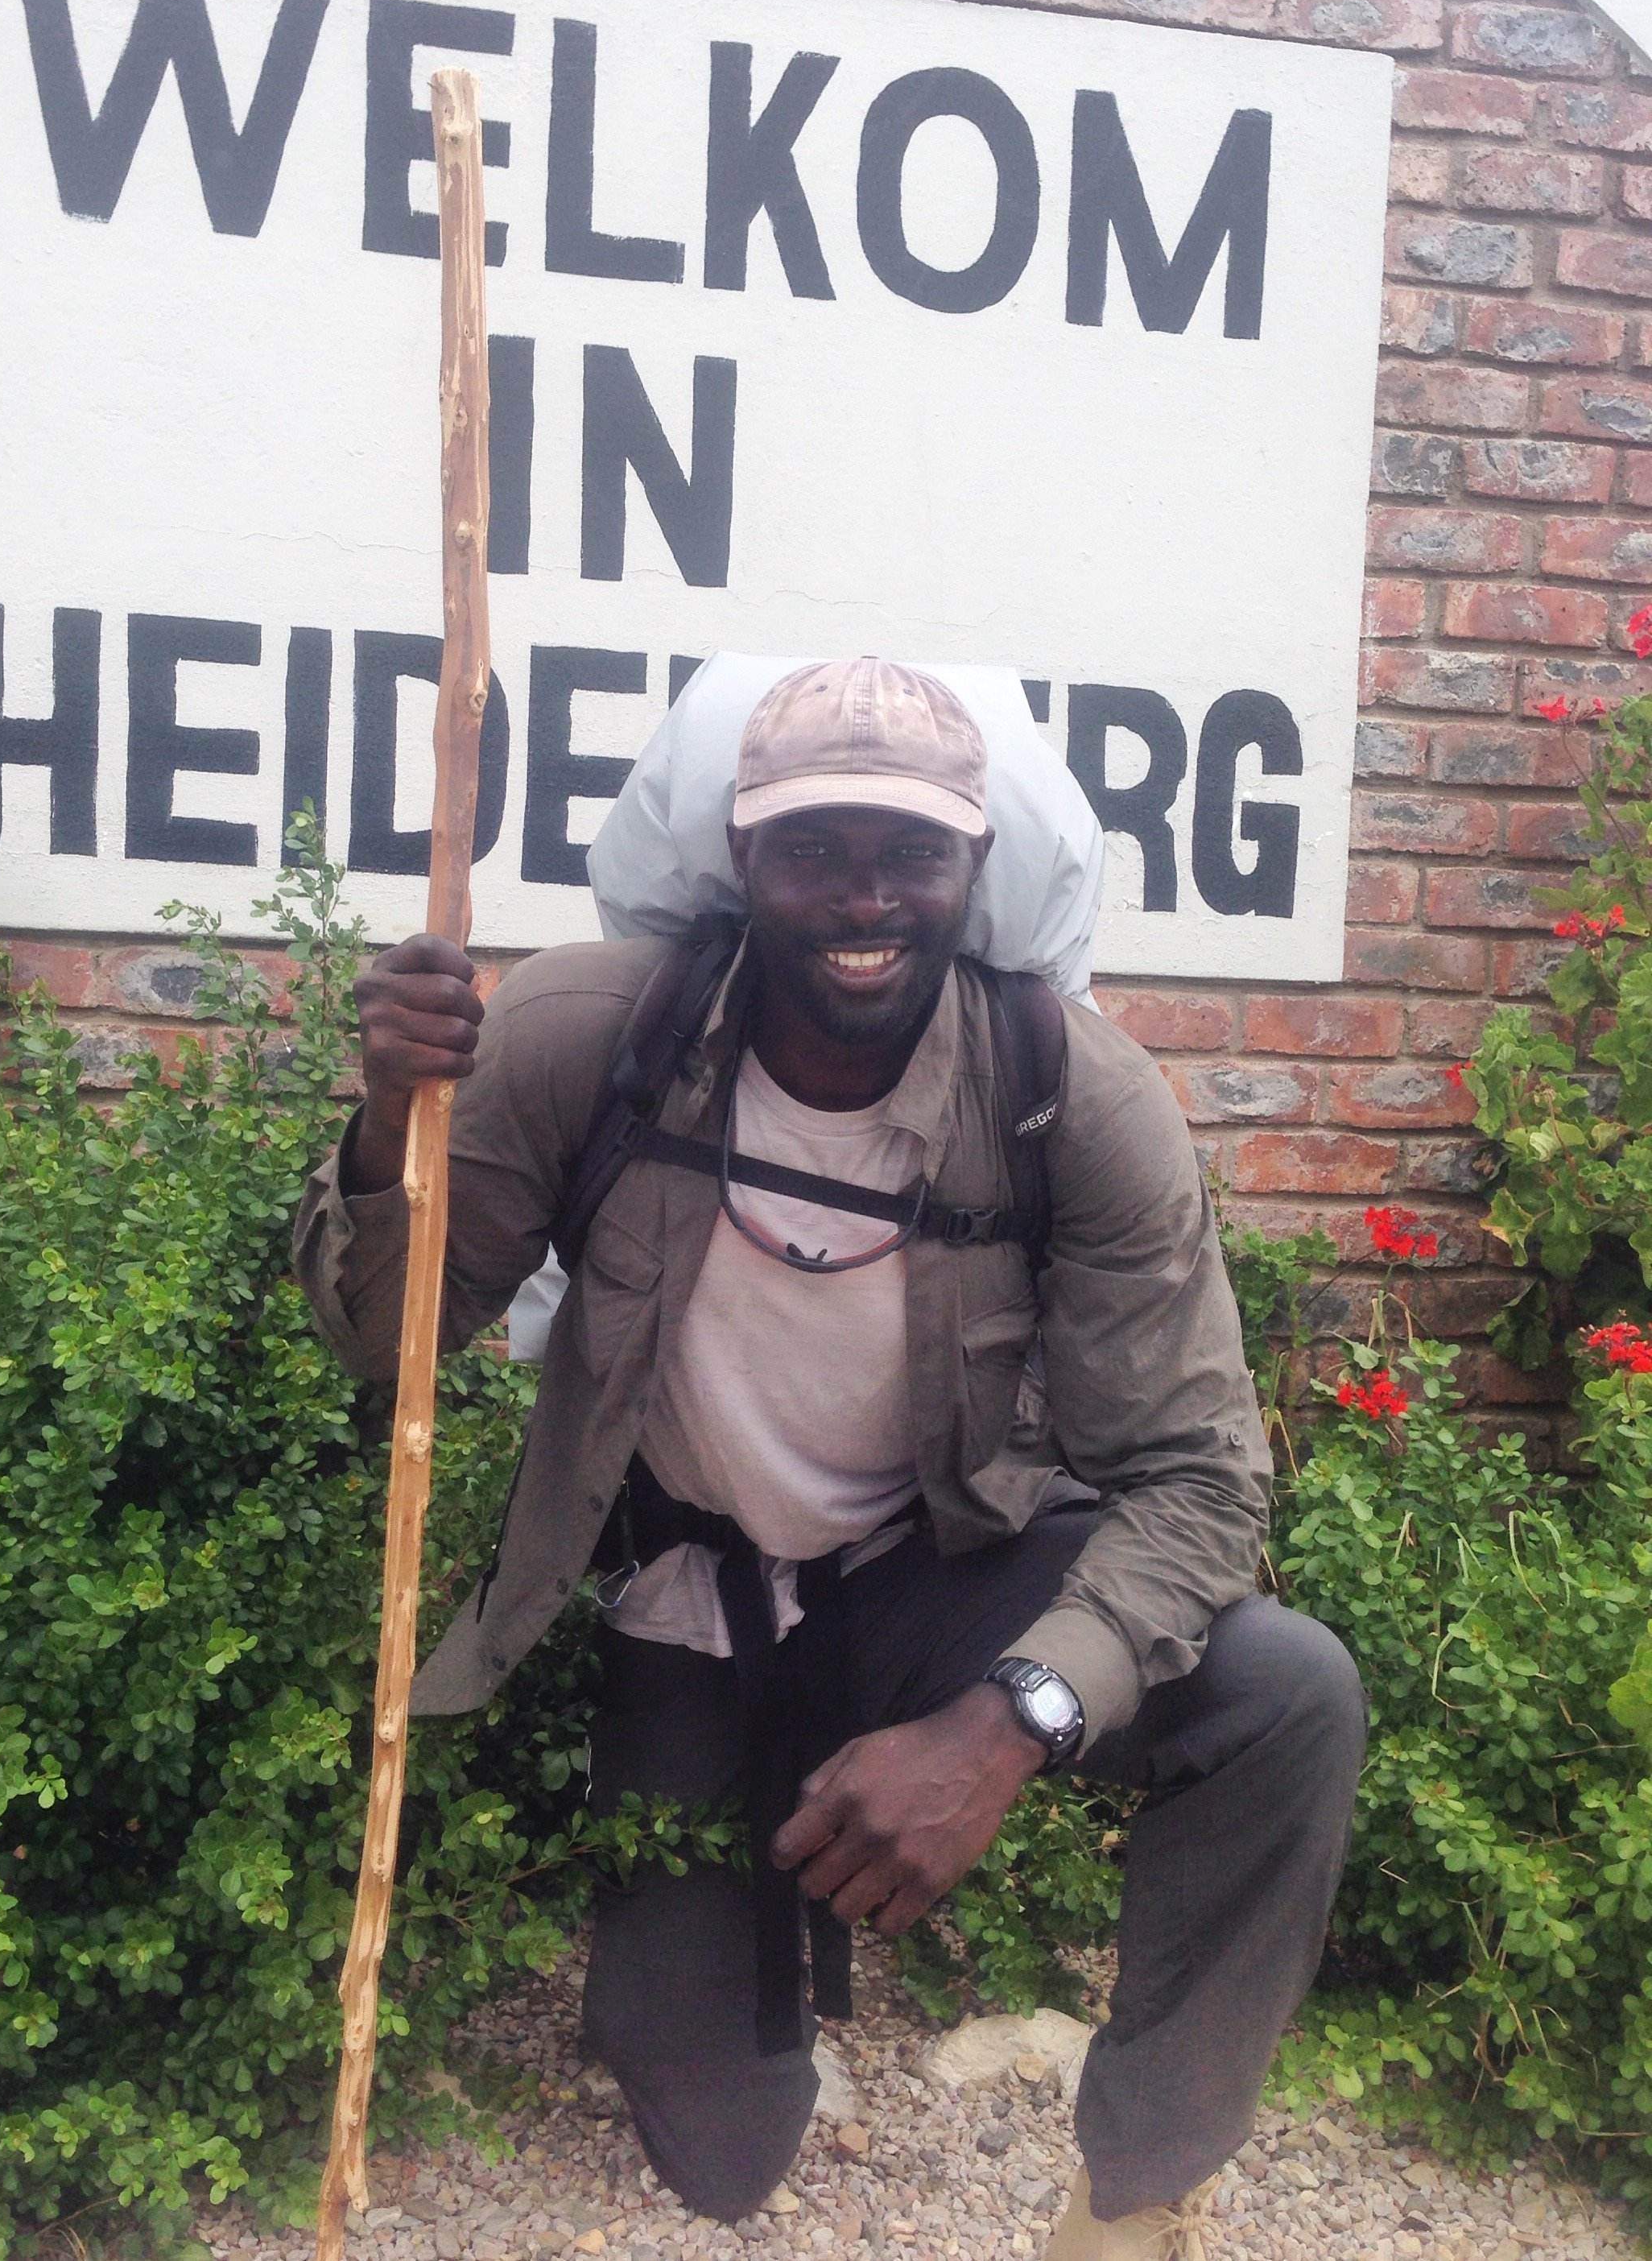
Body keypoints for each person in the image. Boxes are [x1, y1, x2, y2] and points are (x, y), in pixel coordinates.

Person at [295, 657, 1365, 2261]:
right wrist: (391, 1120)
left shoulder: (1069, 1093)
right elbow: (390, 1346)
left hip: (948, 1577)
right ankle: (746, 1954)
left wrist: (1003, 1731)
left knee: (1290, 1692)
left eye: (912, 852)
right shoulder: (591, 1038)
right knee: (717, 2147)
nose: (864, 894)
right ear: (741, 861)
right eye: (812, 849)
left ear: (971, 868)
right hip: (696, 1602)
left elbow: (1200, 1484)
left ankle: (1139, 2193)